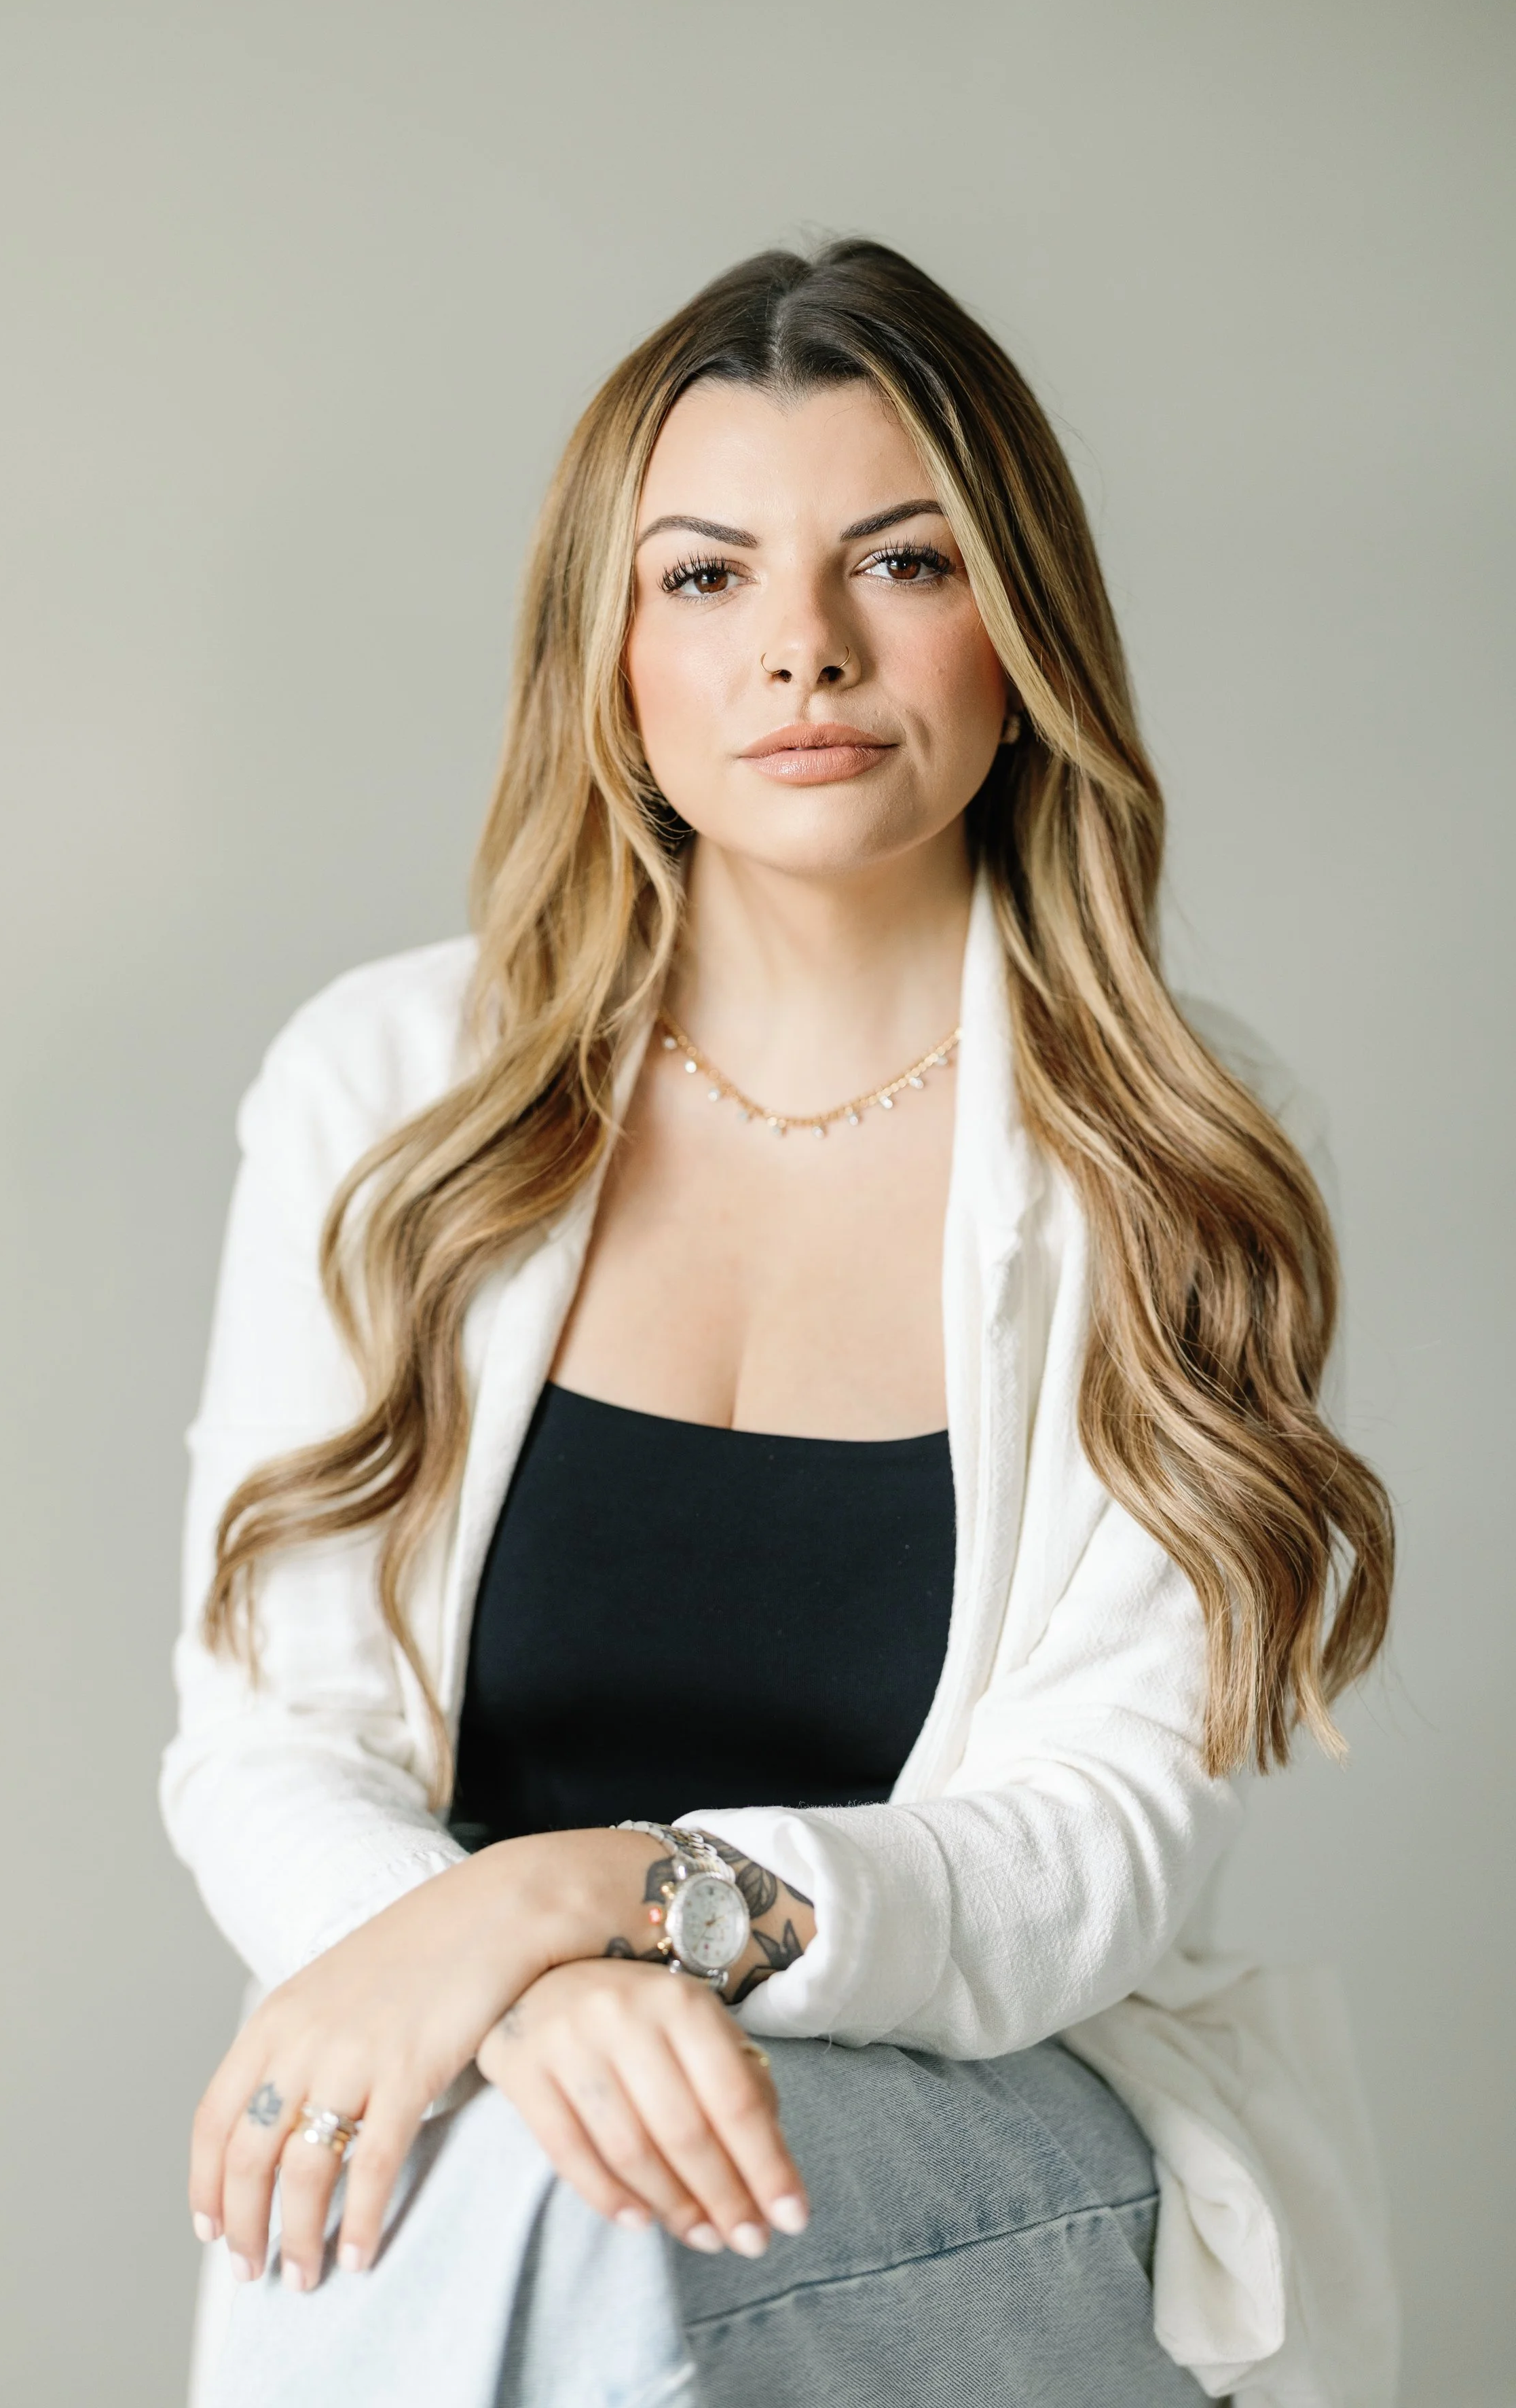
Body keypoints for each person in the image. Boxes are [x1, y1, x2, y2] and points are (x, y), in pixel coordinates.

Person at [162, 240, 1398, 2408]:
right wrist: (531, 1990)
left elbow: (1087, 1852)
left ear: (1021, 631)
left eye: (899, 563)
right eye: (707, 577)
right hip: (488, 2120)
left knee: (548, 2195)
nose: (805, 651)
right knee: (517, 2172)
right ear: (608, 652)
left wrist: (595, 1902)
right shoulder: (387, 1091)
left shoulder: (1179, 1140)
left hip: (994, 2114)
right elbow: (270, 1743)